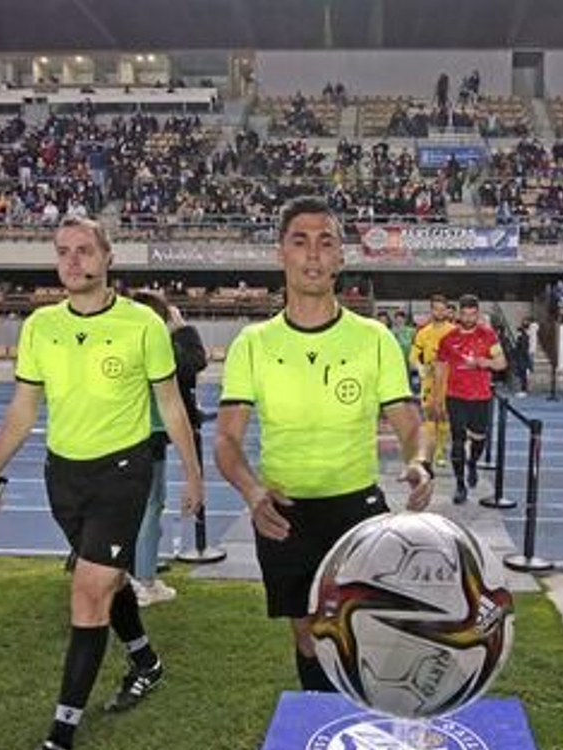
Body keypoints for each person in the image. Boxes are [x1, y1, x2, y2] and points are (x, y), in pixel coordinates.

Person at [0, 216, 203, 750]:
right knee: (107, 580)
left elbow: (172, 406)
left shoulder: (141, 325)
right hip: (63, 478)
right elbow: (24, 409)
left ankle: (57, 744)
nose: (73, 261)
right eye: (63, 253)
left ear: (106, 257)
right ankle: (146, 660)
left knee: (88, 588)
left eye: (83, 251)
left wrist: (194, 476)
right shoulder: (40, 327)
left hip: (123, 473)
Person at [215, 196, 434, 692]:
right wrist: (252, 493)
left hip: (358, 511)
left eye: (326, 242)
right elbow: (227, 438)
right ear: (281, 254)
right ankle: (325, 729)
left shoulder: (374, 337)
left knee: (362, 634)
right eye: (300, 241)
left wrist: (419, 462)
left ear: (341, 257)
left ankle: (369, 724)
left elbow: (408, 421)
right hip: (285, 513)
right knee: (309, 638)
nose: (313, 254)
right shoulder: (253, 342)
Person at [126, 292, 208, 606]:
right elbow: (194, 360)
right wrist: (181, 328)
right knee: (149, 507)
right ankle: (142, 581)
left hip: (137, 434)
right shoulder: (152, 343)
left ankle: (137, 576)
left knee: (142, 506)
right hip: (147, 434)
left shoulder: (129, 340)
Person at [433, 295, 506, 505]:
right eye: (464, 314)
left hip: (480, 396)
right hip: (455, 396)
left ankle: (473, 463)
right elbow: (439, 369)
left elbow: (501, 363)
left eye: (472, 314)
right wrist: (438, 398)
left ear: (478, 313)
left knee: (479, 439)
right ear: (458, 314)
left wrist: (485, 362)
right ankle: (460, 484)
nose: (468, 317)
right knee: (457, 440)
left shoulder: (488, 335)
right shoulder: (447, 339)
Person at [409, 295, 455, 466]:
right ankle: (429, 452)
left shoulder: (453, 331)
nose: (439, 312)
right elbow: (412, 356)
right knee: (429, 417)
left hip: (448, 380)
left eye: (442, 309)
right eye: (436, 309)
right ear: (431, 310)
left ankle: (440, 451)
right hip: (429, 381)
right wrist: (420, 368)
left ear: (447, 311)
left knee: (443, 418)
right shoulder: (423, 332)